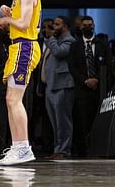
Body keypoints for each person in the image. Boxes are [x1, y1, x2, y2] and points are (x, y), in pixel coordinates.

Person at [0, 0, 50, 166]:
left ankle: (23, 147)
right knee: (11, 99)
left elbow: (25, 23)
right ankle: (19, 146)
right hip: (19, 46)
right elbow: (21, 21)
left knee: (14, 100)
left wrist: (7, 20)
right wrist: (9, 13)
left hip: (24, 47)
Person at [68, 15, 113, 157]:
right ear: (80, 27)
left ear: (94, 26)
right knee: (82, 121)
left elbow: (109, 65)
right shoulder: (75, 45)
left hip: (99, 89)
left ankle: (98, 148)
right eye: (85, 25)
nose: (88, 27)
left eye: (90, 24)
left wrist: (97, 80)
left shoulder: (102, 44)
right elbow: (72, 66)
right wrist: (85, 80)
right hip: (82, 89)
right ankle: (82, 150)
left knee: (98, 119)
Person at [43, 15, 75, 159]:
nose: (53, 27)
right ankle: (58, 148)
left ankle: (64, 150)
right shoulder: (55, 40)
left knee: (63, 121)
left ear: (65, 26)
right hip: (51, 85)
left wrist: (50, 38)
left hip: (62, 85)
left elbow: (60, 52)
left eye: (57, 24)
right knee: (54, 121)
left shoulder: (69, 40)